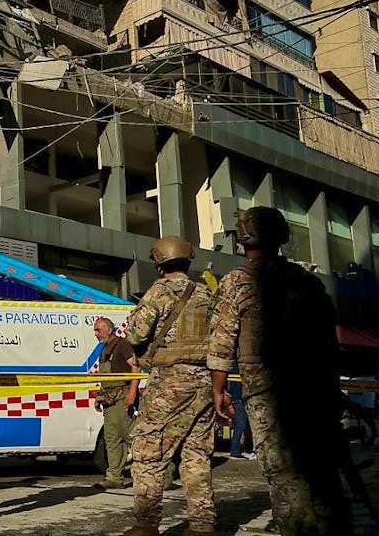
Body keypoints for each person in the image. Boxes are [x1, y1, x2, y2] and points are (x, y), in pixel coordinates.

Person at [209, 207, 348, 534]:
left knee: (283, 474)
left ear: (242, 238)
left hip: (267, 394)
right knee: (322, 469)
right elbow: (330, 342)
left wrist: (218, 390)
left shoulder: (236, 282)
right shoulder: (307, 282)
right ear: (282, 236)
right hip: (315, 390)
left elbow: (221, 342)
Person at [120, 236, 216, 536]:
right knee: (196, 455)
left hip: (168, 383)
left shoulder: (158, 292)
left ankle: (146, 524)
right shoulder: (206, 293)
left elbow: (135, 335)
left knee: (148, 454)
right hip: (203, 382)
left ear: (159, 265)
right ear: (188, 261)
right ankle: (202, 525)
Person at [92, 317, 140, 490]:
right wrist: (99, 398)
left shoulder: (123, 345)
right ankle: (114, 477)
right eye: (95, 330)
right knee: (112, 440)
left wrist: (132, 393)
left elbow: (136, 368)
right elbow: (105, 378)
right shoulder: (105, 348)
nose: (95, 333)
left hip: (122, 399)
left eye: (98, 329)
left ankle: (155, 475)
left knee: (133, 439)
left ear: (109, 329)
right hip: (109, 401)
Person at [227, 373, 254, 460]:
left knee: (243, 425)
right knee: (241, 425)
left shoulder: (231, 371)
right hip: (239, 399)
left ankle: (246, 448)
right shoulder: (237, 371)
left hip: (237, 399)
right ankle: (235, 450)